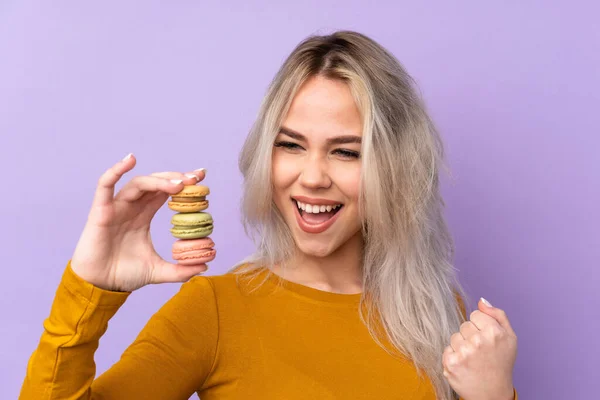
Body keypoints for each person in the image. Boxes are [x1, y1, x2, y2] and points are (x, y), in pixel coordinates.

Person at [19, 30, 518, 400]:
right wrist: (89, 287)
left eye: (346, 152)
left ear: (395, 168)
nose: (312, 177)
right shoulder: (215, 311)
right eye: (291, 145)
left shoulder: (440, 314)